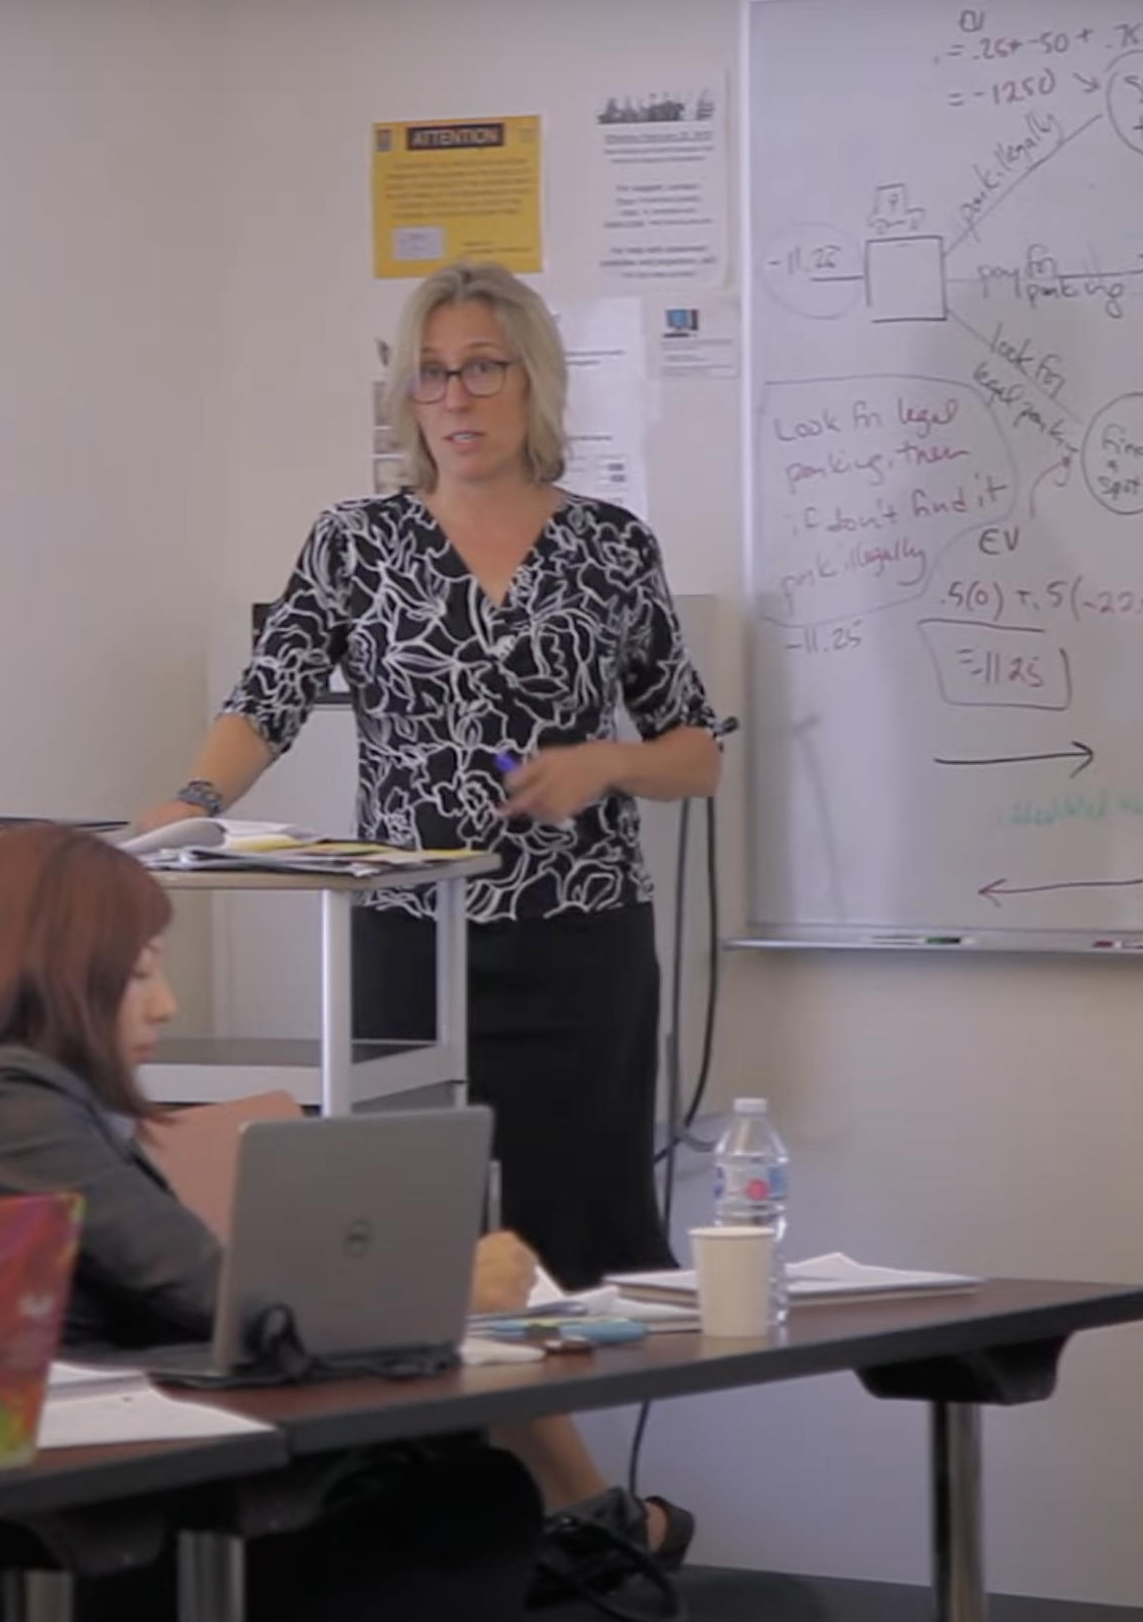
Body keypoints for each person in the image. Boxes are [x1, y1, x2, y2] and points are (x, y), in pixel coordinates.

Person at [0, 826, 690, 1620]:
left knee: (462, 1480)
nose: (168, 1002)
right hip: (77, 1520)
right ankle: (593, 1541)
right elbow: (207, 1289)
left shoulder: (15, 1096)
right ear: (59, 977)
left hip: (119, 1481)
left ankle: (586, 1543)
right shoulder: (2, 1104)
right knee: (465, 1501)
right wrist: (447, 1285)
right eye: (140, 974)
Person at [139, 259, 723, 1295]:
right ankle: (443, 1458)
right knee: (413, 1236)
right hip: (413, 941)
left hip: (580, 948)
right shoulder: (356, 543)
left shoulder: (610, 546)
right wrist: (193, 804)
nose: (456, 397)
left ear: (535, 379)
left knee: (577, 1241)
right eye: (431, 373)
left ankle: (563, 1458)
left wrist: (606, 762)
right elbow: (264, 702)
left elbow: (695, 751)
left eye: (483, 369)